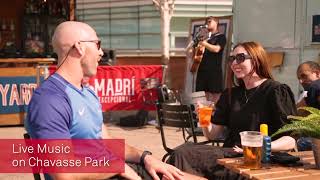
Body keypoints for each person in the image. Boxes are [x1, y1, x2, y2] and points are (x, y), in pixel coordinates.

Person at [25, 21, 204, 180]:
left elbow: (106, 143)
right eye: (97, 44)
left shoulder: (87, 92)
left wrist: (146, 158)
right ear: (79, 47)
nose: (101, 52)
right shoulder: (49, 100)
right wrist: (116, 166)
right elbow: (63, 174)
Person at [168, 41, 297, 179]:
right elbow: (212, 136)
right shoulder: (231, 94)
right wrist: (203, 118)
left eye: (240, 58)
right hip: (231, 154)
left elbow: (291, 140)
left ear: (257, 59)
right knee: (181, 152)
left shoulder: (276, 91)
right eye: (232, 59)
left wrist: (261, 145)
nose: (234, 63)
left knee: (184, 155)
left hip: (260, 158)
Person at [195, 16, 226, 104]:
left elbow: (216, 49)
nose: (206, 24)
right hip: (202, 70)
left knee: (215, 95)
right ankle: (203, 115)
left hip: (214, 71)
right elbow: (192, 52)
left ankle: (215, 115)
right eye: (206, 22)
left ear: (216, 23)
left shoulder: (221, 37)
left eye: (209, 21)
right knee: (201, 95)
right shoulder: (203, 37)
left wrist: (204, 43)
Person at [295, 61, 320, 151]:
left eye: (304, 76)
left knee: (301, 142)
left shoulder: (314, 87)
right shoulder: (307, 93)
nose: (301, 81)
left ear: (317, 73)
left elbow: (295, 114)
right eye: (299, 78)